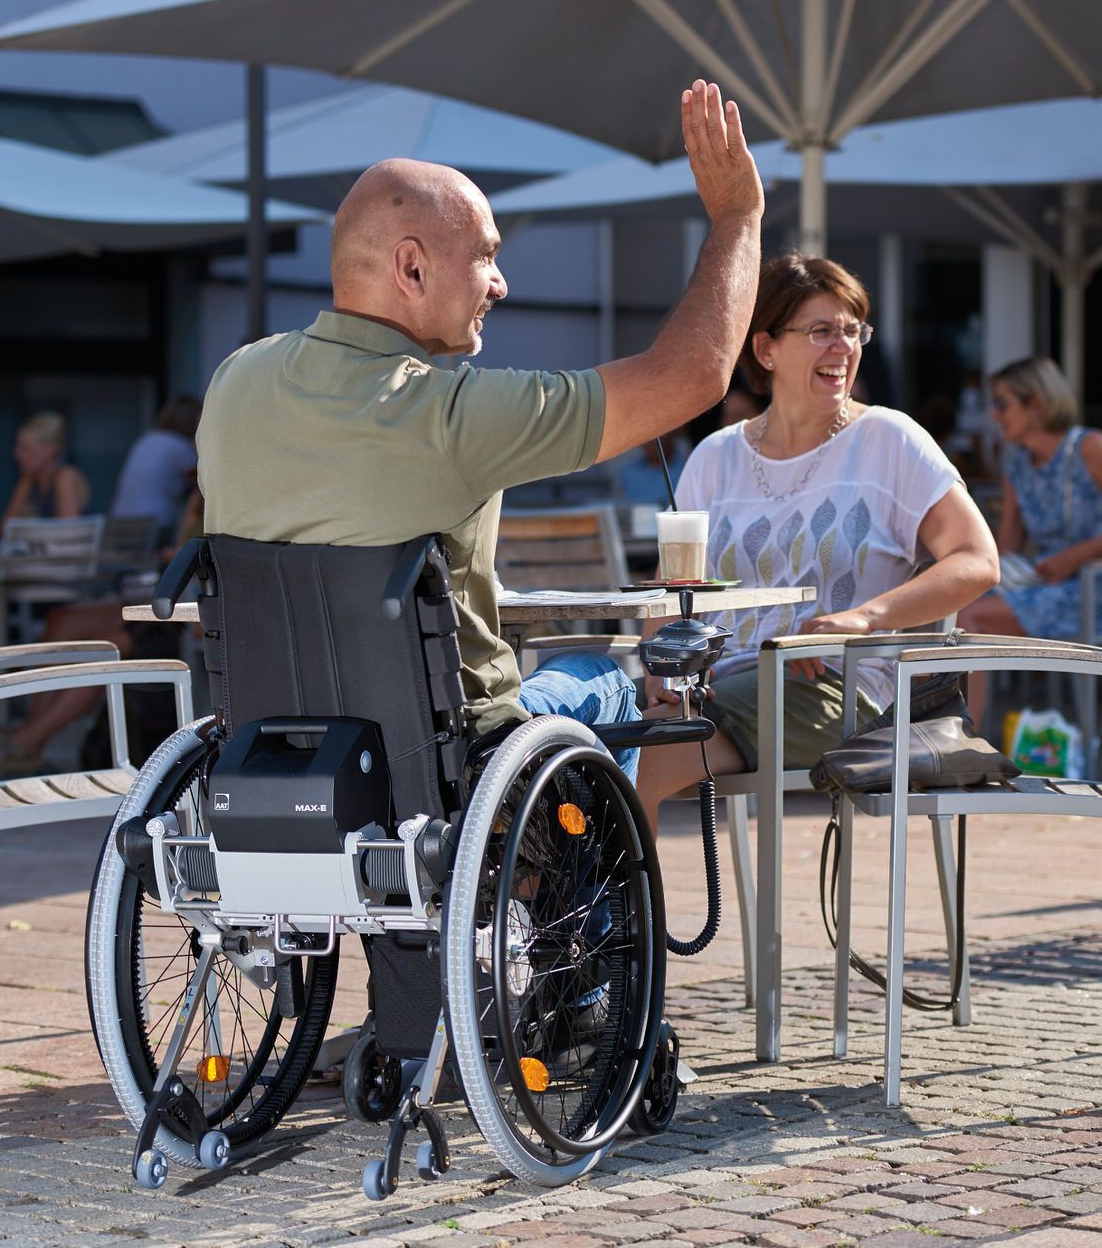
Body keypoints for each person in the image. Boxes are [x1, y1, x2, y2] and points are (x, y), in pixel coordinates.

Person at [195, 79, 764, 780]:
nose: (500, 284)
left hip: (270, 753)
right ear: (411, 266)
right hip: (443, 762)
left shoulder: (233, 381)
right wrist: (738, 217)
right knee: (606, 677)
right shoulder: (451, 415)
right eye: (485, 256)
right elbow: (696, 375)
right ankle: (576, 891)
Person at [631, 254, 999, 808]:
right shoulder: (716, 456)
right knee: (581, 752)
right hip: (713, 686)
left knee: (640, 766)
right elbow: (671, 590)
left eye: (854, 332)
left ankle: (612, 899)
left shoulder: (888, 439)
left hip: (838, 691)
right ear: (766, 349)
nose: (844, 348)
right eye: (822, 331)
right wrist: (658, 660)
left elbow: (977, 559)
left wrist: (861, 618)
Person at [957, 355, 1102, 718]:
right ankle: (934, 730)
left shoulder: (1089, 447)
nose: (993, 414)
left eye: (1002, 403)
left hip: (1096, 589)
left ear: (1035, 403)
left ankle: (959, 736)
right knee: (944, 609)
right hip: (1043, 583)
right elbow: (1006, 550)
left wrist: (1076, 557)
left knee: (966, 619)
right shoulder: (1017, 462)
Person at [110, 396, 201, 530]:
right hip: (152, 521)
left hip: (119, 518)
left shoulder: (147, 439)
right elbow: (203, 479)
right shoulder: (180, 446)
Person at [1, 411, 90, 525]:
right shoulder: (29, 479)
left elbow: (68, 531)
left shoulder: (66, 475)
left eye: (25, 448)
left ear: (50, 449)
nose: (17, 454)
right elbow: (6, 528)